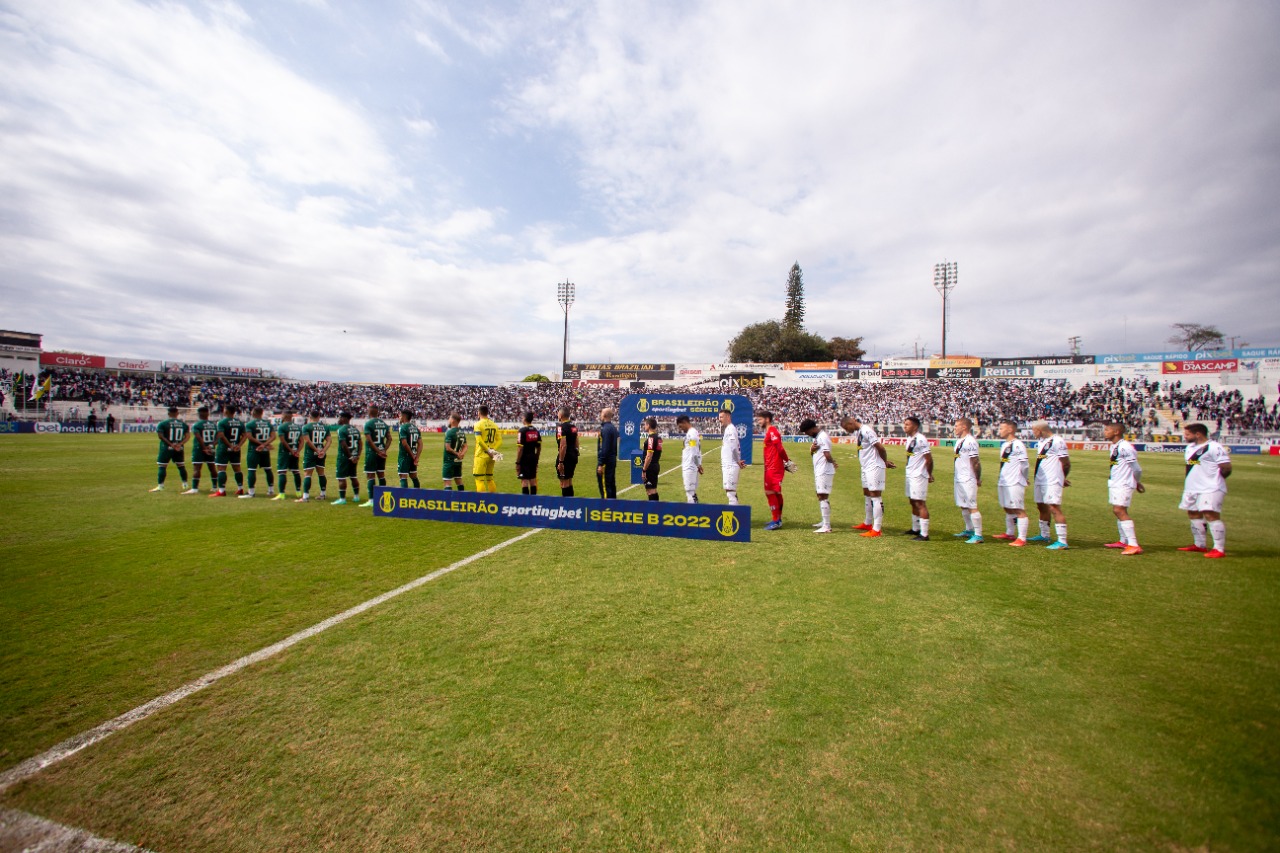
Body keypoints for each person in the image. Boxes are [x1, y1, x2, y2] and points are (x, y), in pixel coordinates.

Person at [1178, 422, 1231, 558]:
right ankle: (1200, 545)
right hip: (1192, 488)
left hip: (1210, 488)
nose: (1185, 436)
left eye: (1187, 434)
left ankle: (1219, 548)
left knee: (1210, 515)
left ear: (1198, 434)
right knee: (1193, 513)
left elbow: (1226, 467)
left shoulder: (1214, 447)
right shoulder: (1190, 448)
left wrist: (1214, 481)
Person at [841, 415, 895, 537]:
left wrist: (884, 463)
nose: (846, 431)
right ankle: (868, 523)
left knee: (875, 496)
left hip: (874, 466)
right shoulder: (860, 432)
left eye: (846, 428)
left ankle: (876, 529)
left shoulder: (866, 430)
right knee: (867, 494)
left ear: (850, 423)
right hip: (866, 467)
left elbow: (881, 448)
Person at [1103, 421, 1144, 555]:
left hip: (1124, 483)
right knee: (1118, 510)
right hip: (1116, 482)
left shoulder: (1125, 447)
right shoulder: (1115, 446)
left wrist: (1136, 482)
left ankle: (1133, 544)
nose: (1105, 432)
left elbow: (1136, 469)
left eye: (1107, 430)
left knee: (1119, 510)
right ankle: (1123, 541)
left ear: (1116, 432)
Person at [1031, 420, 1071, 550]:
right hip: (1040, 479)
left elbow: (1065, 463)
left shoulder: (1057, 441)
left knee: (1054, 507)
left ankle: (1062, 541)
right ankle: (1044, 535)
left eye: (1034, 430)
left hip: (1052, 480)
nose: (1033, 433)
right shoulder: (1042, 442)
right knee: (1041, 506)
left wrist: (1062, 477)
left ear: (1040, 430)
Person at [994, 419, 1030, 546]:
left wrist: (1025, 478)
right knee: (1007, 507)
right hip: (1004, 481)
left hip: (1015, 481)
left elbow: (1024, 464)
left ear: (1010, 429)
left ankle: (1022, 538)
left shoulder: (1018, 444)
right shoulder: (1005, 445)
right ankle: (1010, 533)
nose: (999, 430)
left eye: (1001, 428)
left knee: (1018, 509)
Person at [902, 416, 933, 541]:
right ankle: (915, 528)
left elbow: (929, 459)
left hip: (918, 475)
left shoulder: (920, 439)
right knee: (912, 501)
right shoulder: (910, 439)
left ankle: (924, 534)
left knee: (920, 503)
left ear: (915, 426)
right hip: (910, 474)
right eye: (904, 424)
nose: (905, 426)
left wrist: (929, 474)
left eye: (907, 424)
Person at [759, 410, 792, 530]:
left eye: (760, 419)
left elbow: (780, 448)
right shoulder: (769, 431)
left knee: (770, 492)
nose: (759, 422)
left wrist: (787, 461)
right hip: (770, 467)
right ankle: (777, 519)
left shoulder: (772, 431)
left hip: (773, 467)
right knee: (776, 492)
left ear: (767, 419)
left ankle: (776, 520)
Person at [953, 417, 984, 543]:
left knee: (972, 506)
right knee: (963, 505)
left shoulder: (970, 442)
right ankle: (969, 529)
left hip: (968, 478)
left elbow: (975, 461)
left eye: (956, 426)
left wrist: (977, 478)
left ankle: (978, 535)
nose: (954, 428)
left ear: (964, 427)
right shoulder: (960, 441)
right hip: (959, 478)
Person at [802, 418, 836, 533]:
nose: (807, 434)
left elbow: (827, 454)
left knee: (822, 495)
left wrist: (833, 462)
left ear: (812, 429)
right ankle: (824, 521)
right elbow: (817, 452)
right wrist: (811, 450)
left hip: (824, 470)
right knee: (821, 495)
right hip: (820, 470)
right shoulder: (818, 437)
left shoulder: (822, 437)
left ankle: (826, 526)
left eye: (807, 432)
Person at [151, 405, 189, 493]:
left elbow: (160, 436)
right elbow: (187, 436)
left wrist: (171, 444)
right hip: (179, 448)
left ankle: (160, 486)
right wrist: (179, 444)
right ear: (177, 414)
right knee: (181, 466)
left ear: (168, 414)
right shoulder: (183, 424)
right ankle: (185, 484)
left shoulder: (163, 423)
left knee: (162, 466)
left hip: (166, 448)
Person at [359, 405, 392, 507]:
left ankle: (371, 500)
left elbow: (369, 440)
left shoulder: (368, 424)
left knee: (370, 476)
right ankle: (384, 498)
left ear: (369, 412)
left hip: (372, 453)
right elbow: (390, 439)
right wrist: (383, 450)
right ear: (378, 412)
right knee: (381, 475)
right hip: (381, 453)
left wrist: (377, 451)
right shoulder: (384, 424)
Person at [240, 406, 276, 499]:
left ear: (254, 413)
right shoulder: (268, 423)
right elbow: (273, 436)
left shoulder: (250, 424)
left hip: (254, 449)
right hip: (265, 450)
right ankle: (271, 490)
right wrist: (265, 444)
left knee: (252, 470)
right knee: (268, 469)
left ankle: (251, 493)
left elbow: (249, 437)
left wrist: (261, 444)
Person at [212, 404, 247, 497]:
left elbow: (221, 435)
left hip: (224, 448)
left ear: (226, 411)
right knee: (237, 469)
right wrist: (238, 445)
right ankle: (240, 489)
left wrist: (229, 445)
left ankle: (221, 491)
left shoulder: (222, 422)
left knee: (221, 469)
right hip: (236, 449)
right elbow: (245, 435)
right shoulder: (240, 423)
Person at [297, 409, 330, 502]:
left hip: (310, 453)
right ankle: (323, 494)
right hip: (321, 452)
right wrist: (323, 450)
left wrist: (316, 450)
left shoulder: (306, 426)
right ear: (319, 417)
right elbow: (329, 440)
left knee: (308, 474)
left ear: (309, 416)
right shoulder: (325, 427)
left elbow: (307, 440)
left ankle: (305, 497)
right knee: (321, 473)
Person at [272, 409, 304, 501]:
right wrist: (297, 451)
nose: (281, 417)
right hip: (295, 451)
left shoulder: (282, 427)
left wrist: (290, 450)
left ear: (285, 416)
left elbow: (283, 441)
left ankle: (282, 494)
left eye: (282, 415)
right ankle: (298, 492)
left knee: (282, 472)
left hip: (284, 452)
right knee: (296, 471)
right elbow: (302, 441)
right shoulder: (298, 427)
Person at [333, 411, 362, 505]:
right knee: (353, 476)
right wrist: (357, 456)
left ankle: (342, 499)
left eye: (341, 417)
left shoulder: (341, 430)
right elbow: (360, 443)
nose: (339, 419)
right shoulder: (355, 429)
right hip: (354, 456)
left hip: (344, 457)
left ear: (344, 418)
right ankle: (356, 497)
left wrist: (350, 457)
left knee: (341, 478)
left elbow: (344, 445)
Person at [719, 408, 746, 505]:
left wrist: (738, 461)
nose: (719, 419)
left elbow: (734, 446)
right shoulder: (729, 429)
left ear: (728, 417)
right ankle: (736, 515)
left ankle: (732, 517)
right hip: (729, 465)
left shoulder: (730, 429)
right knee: (730, 492)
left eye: (721, 417)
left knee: (730, 493)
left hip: (730, 465)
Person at [473, 404, 502, 493]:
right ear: (487, 413)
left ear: (479, 413)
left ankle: (482, 501)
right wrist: (493, 450)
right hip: (492, 455)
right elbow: (500, 440)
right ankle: (492, 499)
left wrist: (488, 450)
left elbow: (479, 441)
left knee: (479, 479)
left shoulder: (478, 424)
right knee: (489, 478)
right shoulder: (494, 424)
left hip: (481, 454)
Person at [676, 414, 703, 503]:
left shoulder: (691, 434)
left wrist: (698, 465)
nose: (680, 429)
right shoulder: (692, 433)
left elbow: (694, 451)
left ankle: (693, 513)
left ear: (684, 422)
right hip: (691, 465)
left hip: (690, 466)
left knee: (690, 493)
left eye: (680, 426)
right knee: (692, 492)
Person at [555, 406, 580, 497]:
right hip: (573, 455)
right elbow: (577, 441)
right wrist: (576, 452)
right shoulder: (573, 427)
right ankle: (571, 504)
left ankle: (566, 507)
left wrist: (561, 462)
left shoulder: (560, 428)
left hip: (566, 457)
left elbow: (563, 445)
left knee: (564, 483)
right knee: (569, 481)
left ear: (560, 415)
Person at [515, 411, 541, 495]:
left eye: (522, 418)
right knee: (533, 479)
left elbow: (520, 448)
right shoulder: (536, 431)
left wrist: (517, 462)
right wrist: (536, 458)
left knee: (524, 480)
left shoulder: (522, 431)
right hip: (533, 457)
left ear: (525, 419)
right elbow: (539, 447)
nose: (522, 419)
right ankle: (534, 500)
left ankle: (525, 502)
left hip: (524, 458)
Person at [597, 407, 619, 499]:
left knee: (605, 487)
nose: (600, 415)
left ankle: (607, 509)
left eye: (601, 413)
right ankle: (613, 507)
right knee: (611, 484)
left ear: (605, 415)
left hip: (606, 462)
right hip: (612, 460)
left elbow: (604, 448)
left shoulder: (605, 429)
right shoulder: (613, 428)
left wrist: (600, 463)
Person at [442, 412, 467, 491]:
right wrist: (461, 454)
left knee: (447, 481)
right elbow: (465, 446)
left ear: (453, 420)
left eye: (449, 418)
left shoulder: (449, 432)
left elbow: (448, 448)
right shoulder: (461, 432)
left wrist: (457, 454)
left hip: (449, 460)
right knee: (458, 480)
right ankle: (462, 499)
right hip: (458, 461)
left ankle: (448, 502)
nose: (448, 420)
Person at [397, 409, 422, 488]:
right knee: (413, 476)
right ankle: (417, 495)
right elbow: (420, 444)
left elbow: (404, 443)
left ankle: (404, 498)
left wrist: (412, 455)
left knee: (403, 477)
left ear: (404, 417)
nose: (399, 417)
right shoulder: (415, 428)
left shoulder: (403, 428)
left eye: (400, 416)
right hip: (413, 456)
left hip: (405, 456)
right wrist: (416, 457)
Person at [640, 416, 663, 500]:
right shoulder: (659, 438)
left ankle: (653, 511)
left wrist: (644, 470)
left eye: (645, 424)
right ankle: (656, 509)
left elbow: (649, 456)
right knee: (653, 489)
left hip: (650, 467)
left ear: (648, 425)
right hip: (655, 465)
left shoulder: (651, 438)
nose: (644, 426)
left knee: (650, 491)